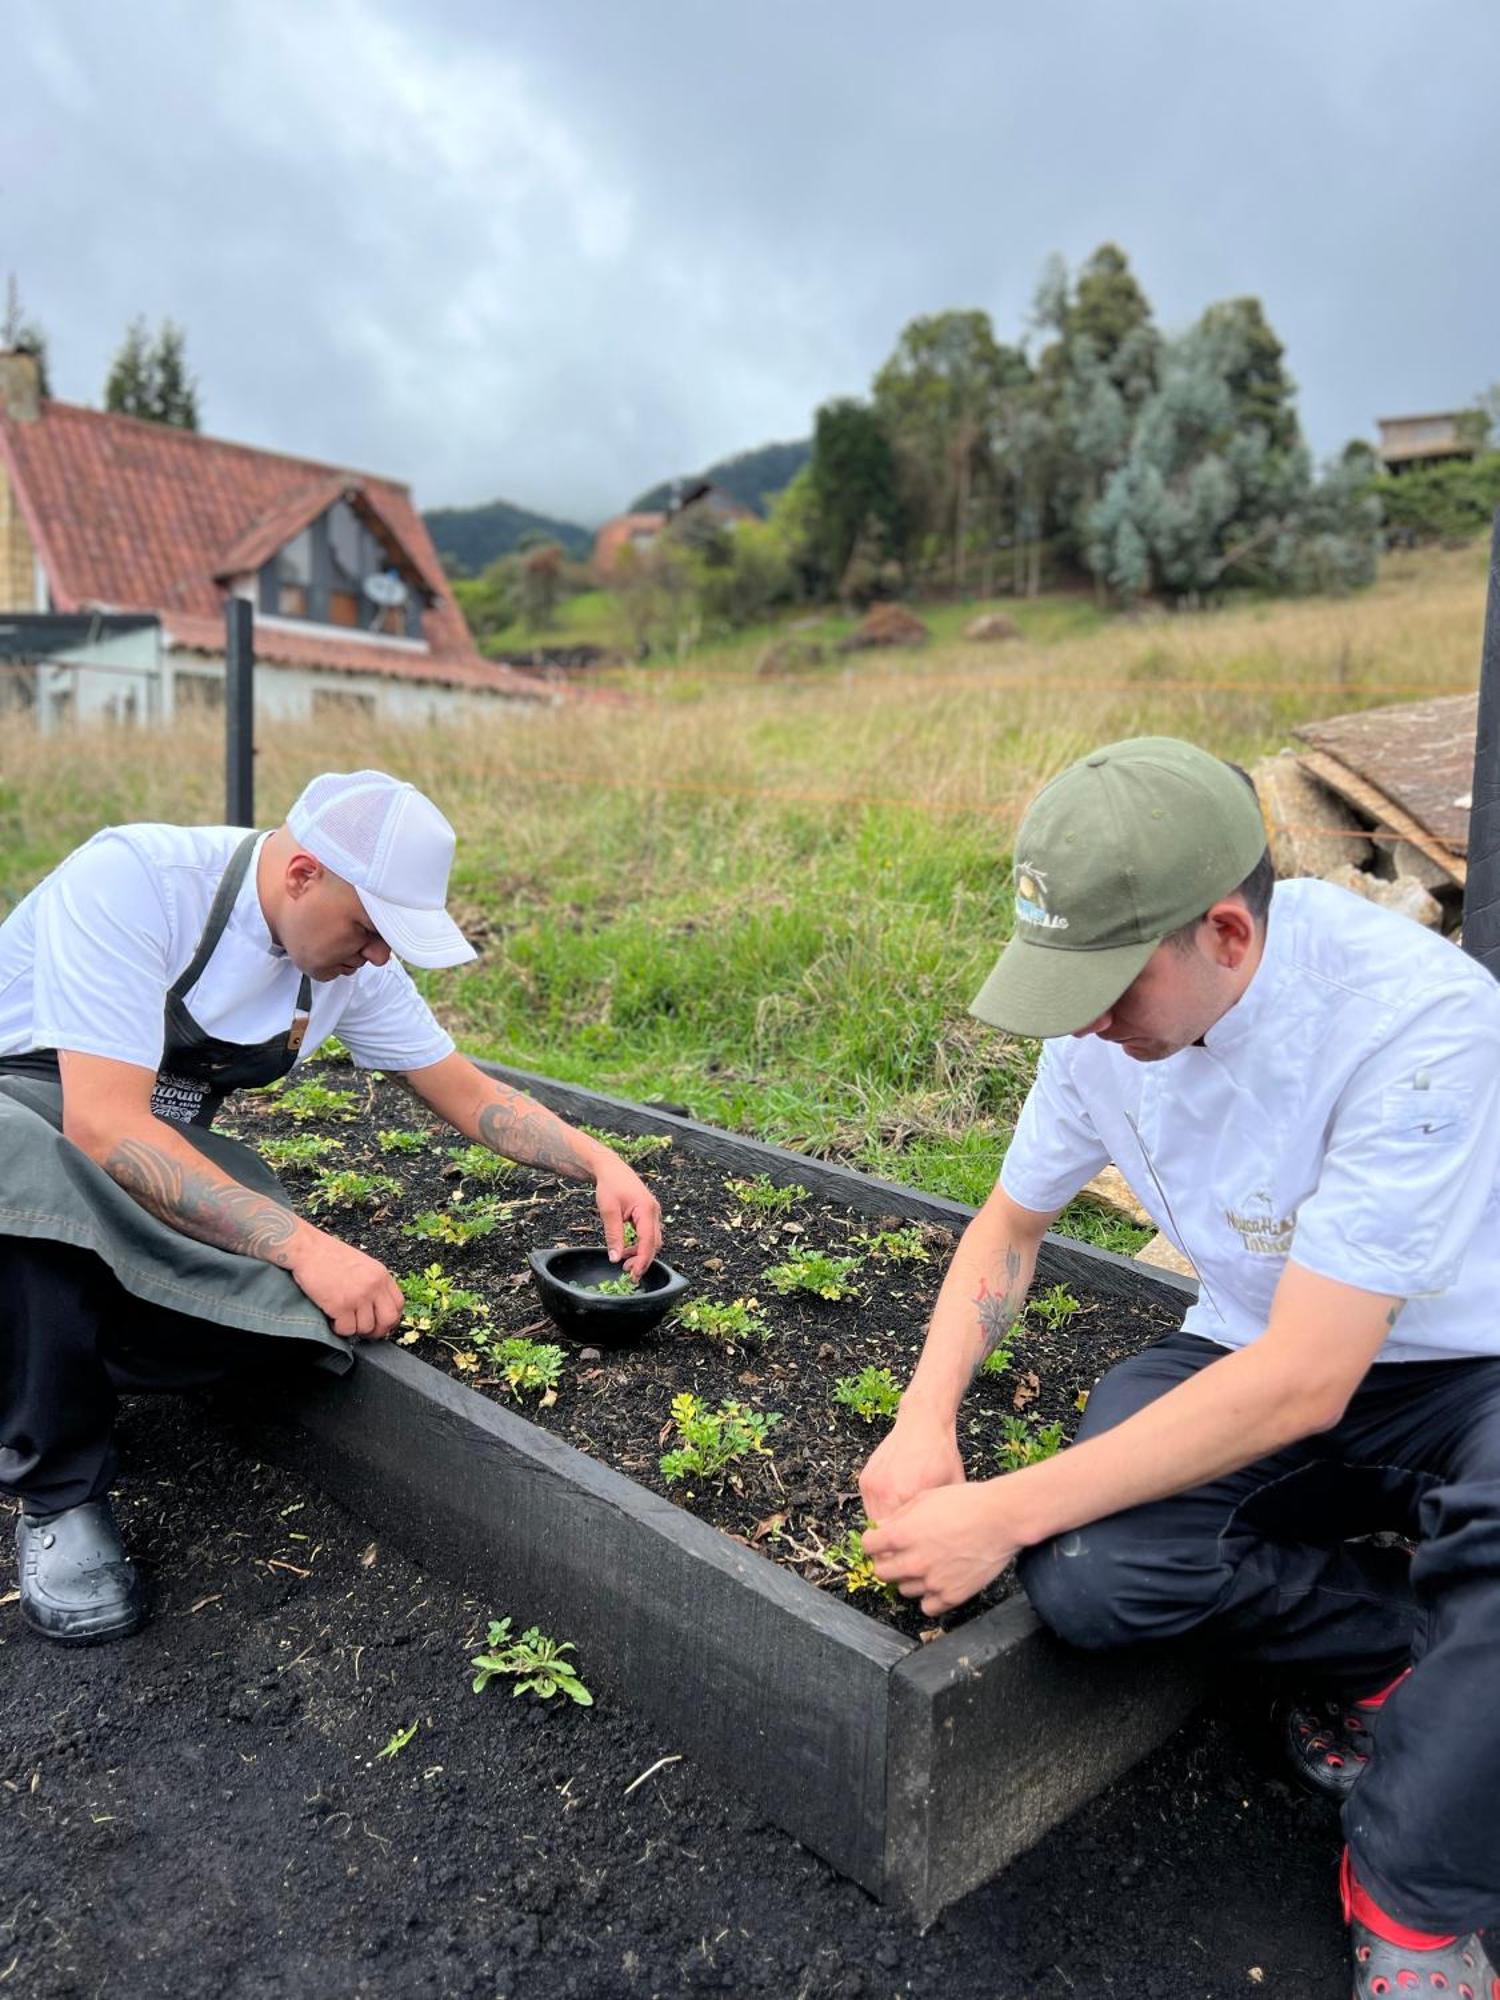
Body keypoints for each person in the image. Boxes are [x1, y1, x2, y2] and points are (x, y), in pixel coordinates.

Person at [860, 737, 1500, 1998]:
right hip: (1253, 1341)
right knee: (1097, 1572)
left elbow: (1316, 1376)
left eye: (1108, 985)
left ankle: (1414, 1897)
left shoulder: (1419, 1024)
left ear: (1225, 932)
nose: (1086, 1019)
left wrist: (997, 1505)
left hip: (1463, 1361)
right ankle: (1388, 1659)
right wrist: (926, 1414)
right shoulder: (1099, 1029)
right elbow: (1009, 1226)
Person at [0, 769, 661, 1646]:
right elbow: (104, 1125)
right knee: (43, 1200)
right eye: (370, 930)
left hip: (149, 1147)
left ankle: (60, 1353)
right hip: (31, 1123)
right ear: (303, 873)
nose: (379, 955)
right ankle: (58, 1495)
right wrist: (306, 1246)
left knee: (276, 1315)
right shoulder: (136, 881)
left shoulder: (342, 965)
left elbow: (464, 1091)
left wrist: (596, 1161)